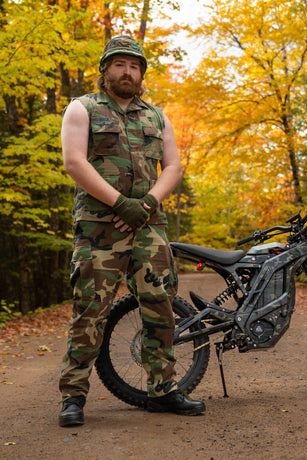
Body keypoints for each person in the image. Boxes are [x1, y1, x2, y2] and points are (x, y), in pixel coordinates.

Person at [58, 36, 205, 427]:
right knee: (90, 311)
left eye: (134, 66)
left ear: (141, 73)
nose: (127, 71)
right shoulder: (82, 108)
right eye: (120, 64)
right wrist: (118, 203)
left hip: (148, 228)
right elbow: (74, 161)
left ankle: (163, 390)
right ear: (106, 69)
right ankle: (73, 395)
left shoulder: (157, 116)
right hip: (98, 228)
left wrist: (147, 205)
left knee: (160, 307)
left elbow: (172, 167)